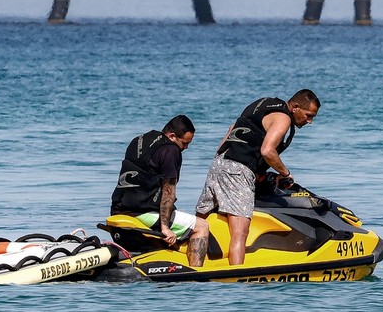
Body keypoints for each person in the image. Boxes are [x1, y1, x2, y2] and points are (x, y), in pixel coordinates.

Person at [193, 90, 321, 265]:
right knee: (239, 233)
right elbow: (268, 150)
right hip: (238, 171)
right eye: (308, 116)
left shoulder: (263, 103)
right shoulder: (284, 118)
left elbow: (233, 129)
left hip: (219, 163)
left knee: (200, 221)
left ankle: (193, 268)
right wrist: (285, 173)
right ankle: (237, 280)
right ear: (295, 107)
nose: (309, 121)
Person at [110, 114, 209, 267]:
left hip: (118, 209)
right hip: (143, 213)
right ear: (172, 136)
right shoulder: (171, 151)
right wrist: (165, 227)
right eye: (184, 143)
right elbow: (168, 192)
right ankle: (195, 273)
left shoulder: (139, 140)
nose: (186, 148)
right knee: (201, 226)